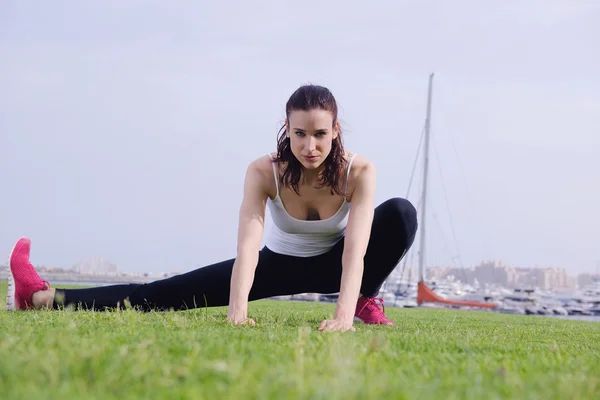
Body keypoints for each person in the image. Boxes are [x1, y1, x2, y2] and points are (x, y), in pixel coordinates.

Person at [6, 84, 418, 332]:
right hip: (275, 266)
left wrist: (343, 315)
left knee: (401, 213)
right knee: (162, 294)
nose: (310, 146)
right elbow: (247, 248)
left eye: (321, 134)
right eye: (300, 134)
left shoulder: (358, 171)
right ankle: (40, 297)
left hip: (337, 264)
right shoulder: (263, 172)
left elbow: (355, 250)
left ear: (336, 131)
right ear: (286, 129)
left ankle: (366, 300)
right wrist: (237, 312)